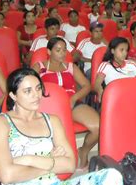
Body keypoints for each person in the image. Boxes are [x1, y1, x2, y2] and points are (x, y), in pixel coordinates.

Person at [0, 68, 124, 185]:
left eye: (38, 88)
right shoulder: (0, 123)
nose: (36, 95)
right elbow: (7, 175)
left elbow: (70, 165)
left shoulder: (52, 121)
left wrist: (29, 159)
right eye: (27, 91)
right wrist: (51, 161)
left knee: (112, 177)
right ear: (13, 95)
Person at [34, 37, 99, 168]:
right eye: (58, 50)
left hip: (71, 102)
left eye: (64, 50)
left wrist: (74, 98)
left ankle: (83, 152)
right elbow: (30, 87)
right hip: (49, 106)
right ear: (49, 51)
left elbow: (87, 86)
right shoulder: (39, 67)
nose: (62, 53)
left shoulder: (70, 67)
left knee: (98, 127)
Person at [94, 37, 136, 102]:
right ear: (112, 51)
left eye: (126, 50)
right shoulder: (106, 65)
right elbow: (97, 84)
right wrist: (100, 91)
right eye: (121, 50)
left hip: (133, 96)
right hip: (115, 99)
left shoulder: (132, 64)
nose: (125, 53)